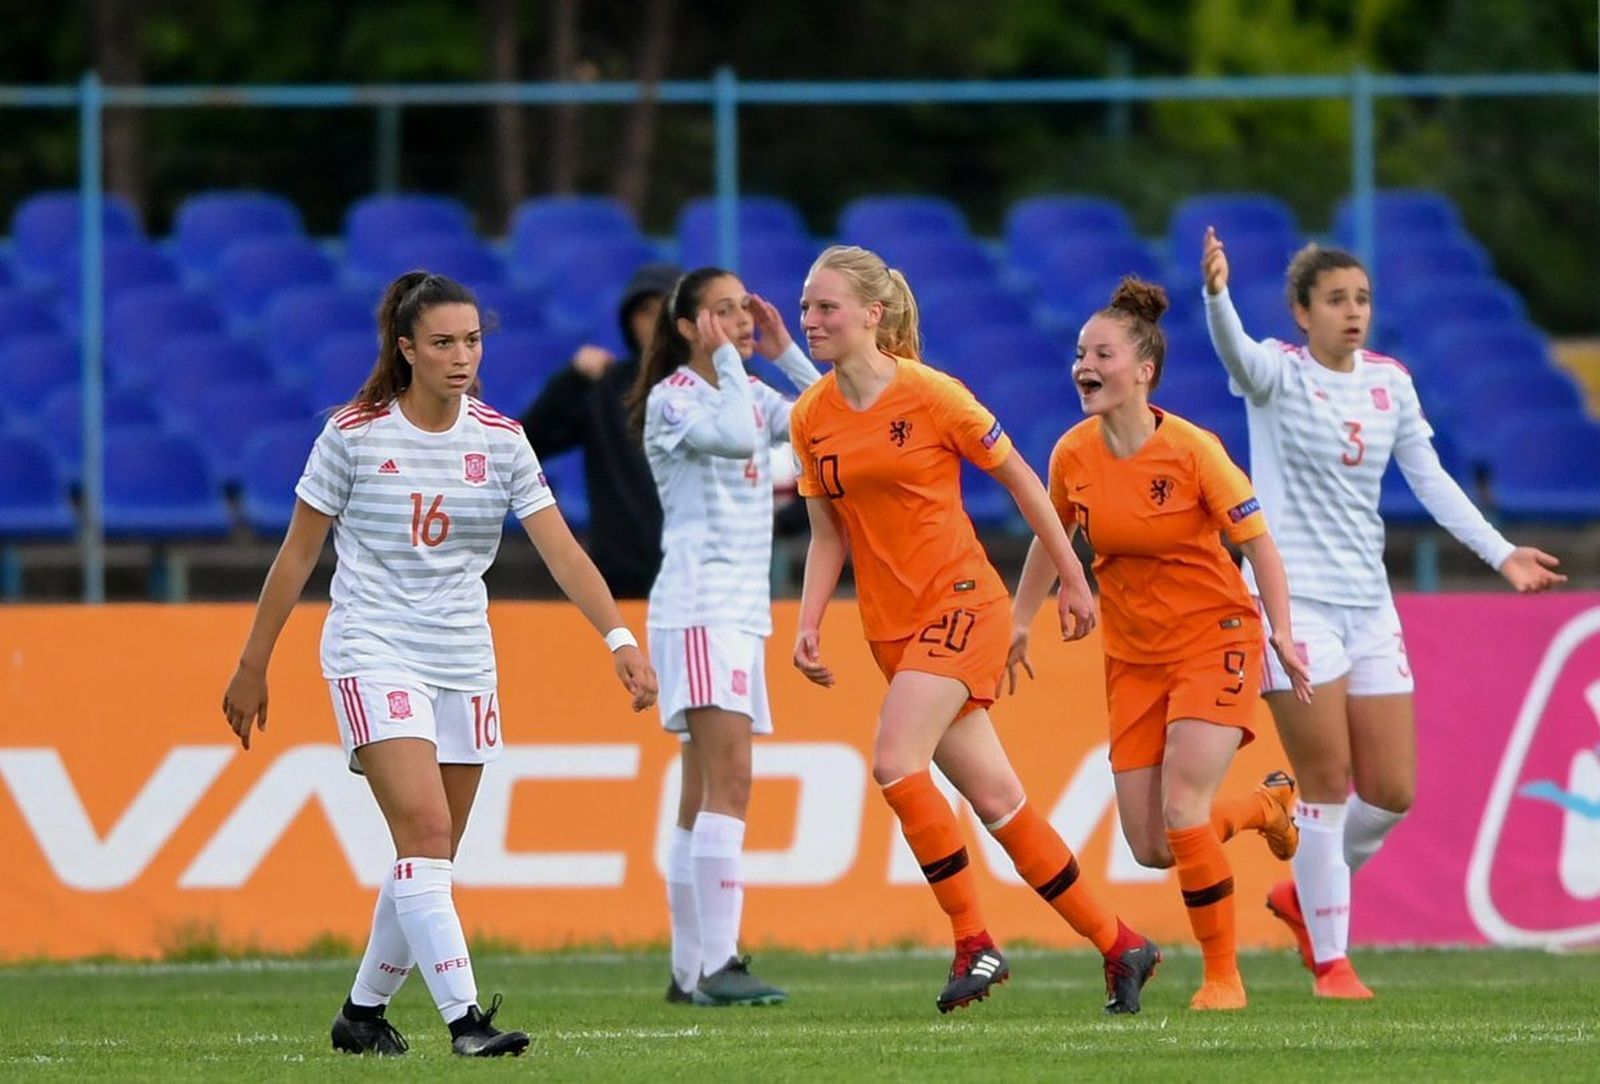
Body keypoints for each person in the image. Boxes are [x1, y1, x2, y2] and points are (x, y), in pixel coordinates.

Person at [221, 271, 658, 1057]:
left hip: (464, 657)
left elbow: (561, 549)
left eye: (473, 341)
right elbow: (297, 554)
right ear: (407, 349)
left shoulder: (500, 439)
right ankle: (465, 1021)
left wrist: (620, 641)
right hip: (373, 648)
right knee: (425, 832)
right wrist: (254, 664)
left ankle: (361, 1015)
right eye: (445, 343)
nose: (462, 357)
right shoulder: (354, 435)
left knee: (431, 854)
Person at [788, 245, 1162, 1017]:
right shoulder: (809, 417)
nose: (811, 320)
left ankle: (973, 942)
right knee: (1000, 802)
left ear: (872, 313)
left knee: (895, 762)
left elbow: (1023, 477)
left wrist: (1069, 573)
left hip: (962, 603)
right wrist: (809, 623)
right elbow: (830, 534)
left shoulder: (932, 395)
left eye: (825, 307)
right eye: (806, 307)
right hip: (890, 631)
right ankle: (1122, 944)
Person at [1200, 228, 1565, 998]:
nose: (1353, 311)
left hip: (1370, 607)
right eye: (1336, 300)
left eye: (1362, 299)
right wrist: (1216, 295)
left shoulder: (1391, 383)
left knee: (1392, 791)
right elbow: (1234, 354)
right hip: (1292, 607)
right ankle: (1333, 963)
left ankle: (1307, 893)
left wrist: (1502, 554)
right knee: (1327, 782)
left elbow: (1430, 480)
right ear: (1302, 312)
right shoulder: (1277, 375)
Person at [1009, 276, 1312, 1012]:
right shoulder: (1074, 453)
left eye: (1101, 353)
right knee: (1152, 846)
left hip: (1216, 639)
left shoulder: (1192, 451)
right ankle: (1263, 810)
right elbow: (1054, 539)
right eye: (1080, 352)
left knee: (1182, 810)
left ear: (1143, 370)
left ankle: (1223, 978)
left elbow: (1259, 546)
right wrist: (1022, 620)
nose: (1084, 364)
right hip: (1134, 655)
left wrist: (1283, 629)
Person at [628, 266, 822, 1007]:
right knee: (732, 781)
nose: (740, 320)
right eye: (721, 312)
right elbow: (742, 433)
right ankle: (719, 962)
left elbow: (827, 416)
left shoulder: (746, 383)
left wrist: (782, 353)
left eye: (744, 307)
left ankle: (689, 971)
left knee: (701, 788)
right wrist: (742, 365)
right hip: (702, 606)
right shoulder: (675, 401)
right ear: (685, 329)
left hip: (736, 612)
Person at [520, 262, 680, 598]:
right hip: (621, 582)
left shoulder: (723, 387)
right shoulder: (605, 387)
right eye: (645, 312)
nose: (655, 323)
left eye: (666, 310)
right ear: (628, 321)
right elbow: (525, 445)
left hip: (706, 585)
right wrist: (571, 381)